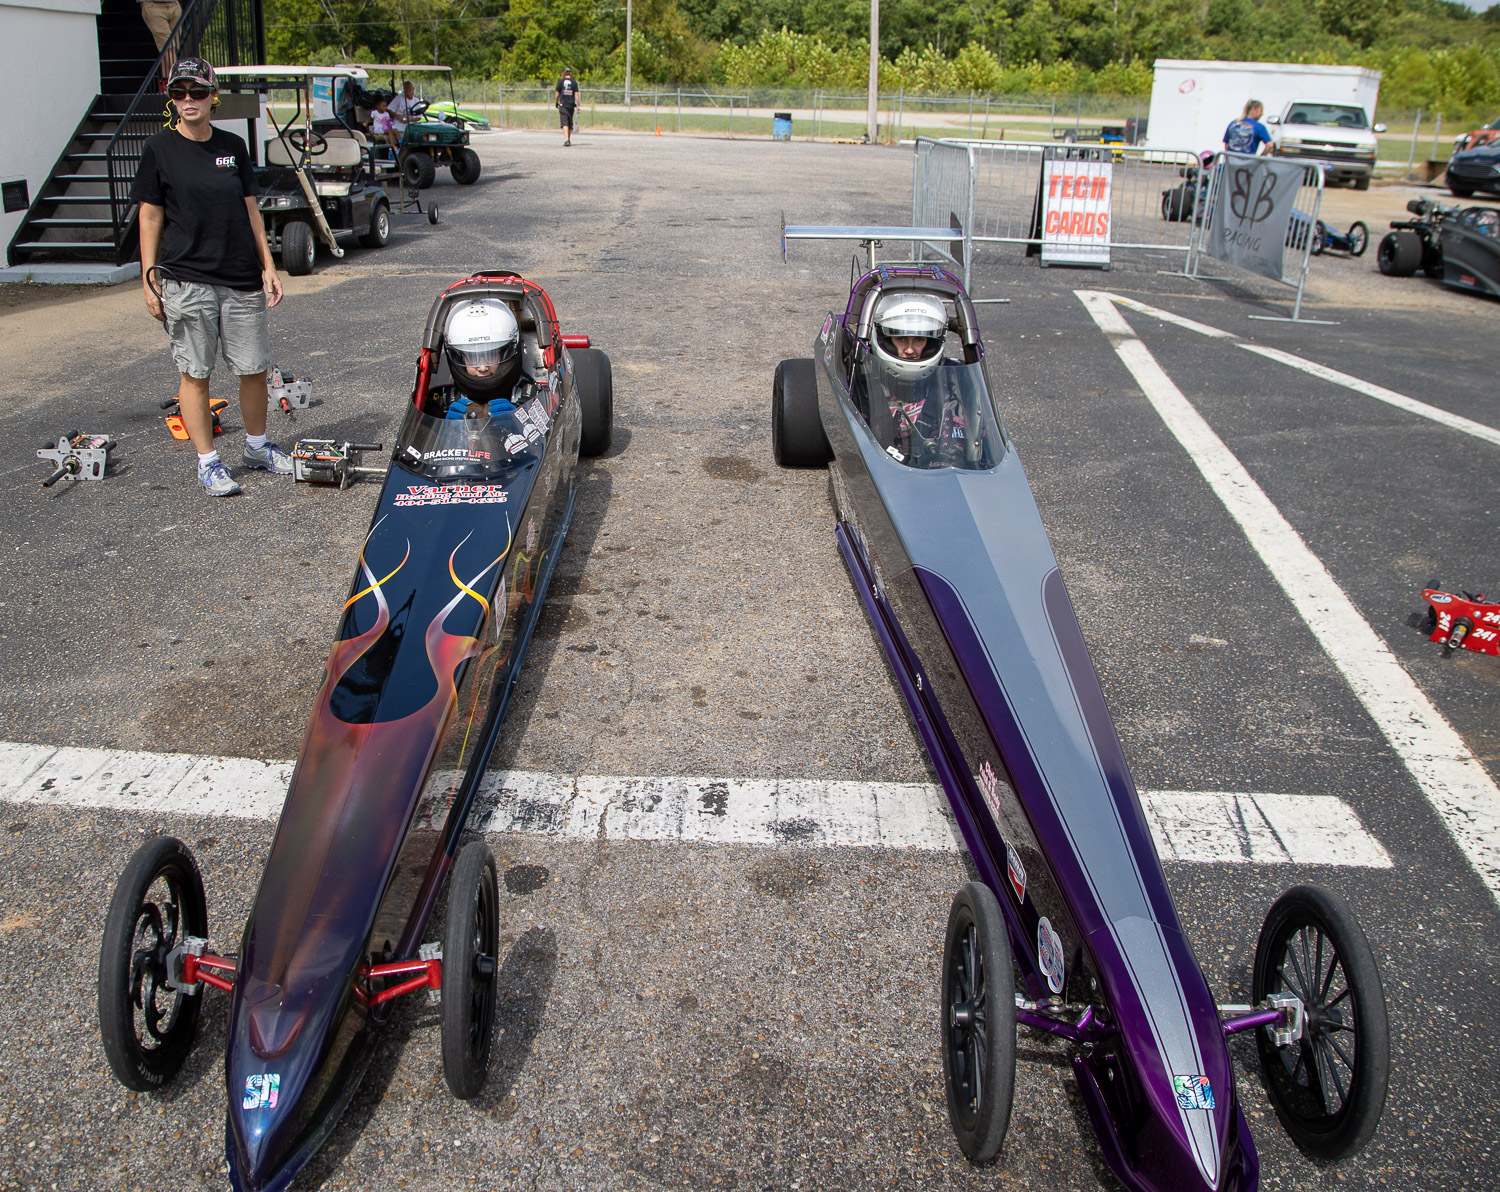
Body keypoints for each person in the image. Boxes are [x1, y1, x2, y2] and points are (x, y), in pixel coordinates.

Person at [131, 57, 288, 497]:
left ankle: (257, 448)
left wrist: (268, 264)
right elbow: (150, 218)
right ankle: (208, 462)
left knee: (253, 368)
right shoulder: (158, 149)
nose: (188, 99)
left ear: (212, 97)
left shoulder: (233, 146)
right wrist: (148, 279)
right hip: (186, 278)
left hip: (239, 275)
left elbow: (251, 211)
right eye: (179, 92)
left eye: (197, 91)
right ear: (171, 98)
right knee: (195, 373)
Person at [440, 298, 527, 418]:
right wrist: (448, 427)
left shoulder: (531, 395)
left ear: (506, 352)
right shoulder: (443, 397)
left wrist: (520, 421)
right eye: (472, 356)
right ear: (458, 357)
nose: (482, 368)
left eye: (491, 355)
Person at [555, 68, 580, 146]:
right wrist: (579, 105)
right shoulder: (574, 82)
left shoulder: (561, 82)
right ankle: (568, 139)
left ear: (564, 73)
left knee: (564, 122)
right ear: (570, 73)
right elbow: (576, 94)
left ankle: (566, 140)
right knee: (569, 122)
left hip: (563, 104)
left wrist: (556, 101)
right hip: (571, 104)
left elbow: (557, 93)